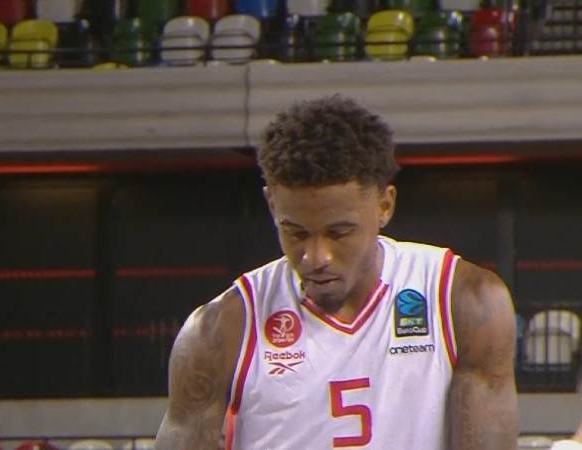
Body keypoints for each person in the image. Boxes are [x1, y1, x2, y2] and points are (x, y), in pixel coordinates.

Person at [155, 95, 519, 449]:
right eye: (296, 233)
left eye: (339, 233)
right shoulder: (222, 328)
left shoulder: (461, 301)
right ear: (271, 205)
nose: (316, 257)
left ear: (384, 205)